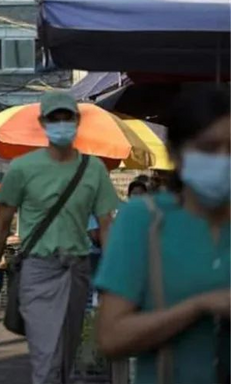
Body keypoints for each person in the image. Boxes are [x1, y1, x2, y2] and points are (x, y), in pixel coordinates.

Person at [0, 91, 119, 384]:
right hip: (38, 270)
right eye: (55, 118)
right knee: (48, 360)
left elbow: (106, 226)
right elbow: (1, 227)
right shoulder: (22, 168)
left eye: (67, 117)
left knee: (65, 359)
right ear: (43, 122)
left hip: (78, 270)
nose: (62, 123)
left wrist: (113, 282)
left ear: (78, 121)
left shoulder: (93, 170)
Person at [95, 86, 230, 384]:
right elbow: (111, 337)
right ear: (176, 155)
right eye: (209, 148)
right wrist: (199, 306)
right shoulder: (145, 220)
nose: (224, 160)